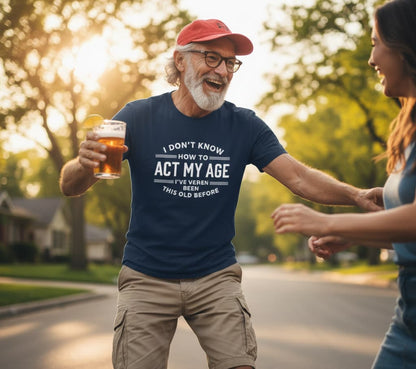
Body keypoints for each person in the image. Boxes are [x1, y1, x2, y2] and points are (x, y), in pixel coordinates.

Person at [60, 19, 382, 369]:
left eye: (230, 62)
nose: (223, 70)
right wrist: (81, 164)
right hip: (145, 277)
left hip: (215, 277)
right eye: (211, 58)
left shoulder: (244, 125)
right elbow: (70, 186)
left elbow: (300, 178)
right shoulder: (138, 117)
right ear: (180, 61)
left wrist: (358, 195)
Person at [271, 0, 416, 368]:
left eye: (375, 43)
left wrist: (327, 222)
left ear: (405, 46)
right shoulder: (408, 129)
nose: (372, 59)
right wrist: (356, 235)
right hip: (408, 317)